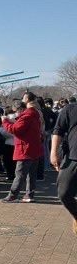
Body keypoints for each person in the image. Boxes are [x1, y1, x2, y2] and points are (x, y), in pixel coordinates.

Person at [1, 92, 44, 203]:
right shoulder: (35, 113)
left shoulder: (27, 115)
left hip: (25, 149)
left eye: (23, 98)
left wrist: (5, 122)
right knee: (31, 175)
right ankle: (29, 195)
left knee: (20, 174)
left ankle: (13, 195)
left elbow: (15, 130)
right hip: (34, 148)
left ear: (27, 100)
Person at [51, 99, 77, 234]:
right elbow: (58, 131)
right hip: (72, 158)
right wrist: (53, 153)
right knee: (64, 193)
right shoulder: (70, 109)